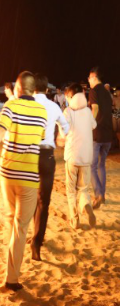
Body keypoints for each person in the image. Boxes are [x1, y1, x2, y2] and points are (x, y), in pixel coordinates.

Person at [0, 72, 47, 292]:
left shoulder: (10, 106)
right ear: (33, 89)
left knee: (11, 216)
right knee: (21, 226)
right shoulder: (42, 111)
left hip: (8, 172)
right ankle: (12, 278)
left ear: (18, 88)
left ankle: (8, 254)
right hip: (28, 174)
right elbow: (40, 138)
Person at [31, 75, 70, 261]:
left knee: (29, 197)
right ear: (47, 89)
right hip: (46, 155)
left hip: (29, 155)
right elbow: (65, 128)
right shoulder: (53, 106)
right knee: (43, 202)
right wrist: (60, 136)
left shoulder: (27, 105)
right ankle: (37, 242)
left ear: (32, 88)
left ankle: (31, 233)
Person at [63, 84, 97, 229]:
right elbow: (94, 125)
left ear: (70, 97)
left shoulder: (68, 111)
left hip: (72, 156)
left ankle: (74, 218)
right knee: (83, 189)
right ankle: (86, 205)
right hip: (86, 156)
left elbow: (64, 129)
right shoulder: (88, 111)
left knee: (71, 190)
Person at [88, 67, 114, 210]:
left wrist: (90, 125)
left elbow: (95, 108)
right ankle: (102, 195)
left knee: (92, 166)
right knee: (101, 165)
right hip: (108, 134)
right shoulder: (107, 92)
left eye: (89, 78)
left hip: (97, 134)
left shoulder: (94, 91)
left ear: (94, 77)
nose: (88, 80)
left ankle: (98, 194)